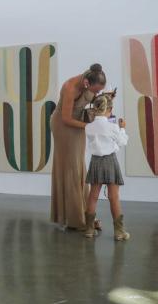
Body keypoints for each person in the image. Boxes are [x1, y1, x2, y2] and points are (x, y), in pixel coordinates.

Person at [50, 63, 107, 231]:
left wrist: (105, 99)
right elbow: (66, 118)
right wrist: (89, 126)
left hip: (78, 125)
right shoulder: (70, 88)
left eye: (99, 91)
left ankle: (85, 214)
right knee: (72, 169)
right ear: (87, 83)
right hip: (64, 127)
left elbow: (91, 100)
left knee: (79, 167)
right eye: (96, 90)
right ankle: (76, 218)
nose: (97, 93)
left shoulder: (88, 84)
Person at [83, 93, 130, 240]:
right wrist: (122, 128)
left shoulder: (88, 127)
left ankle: (89, 229)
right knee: (113, 197)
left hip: (95, 162)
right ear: (109, 109)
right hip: (110, 161)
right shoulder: (113, 127)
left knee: (93, 196)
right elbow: (122, 142)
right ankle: (119, 232)